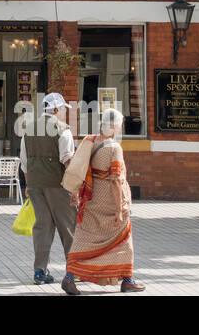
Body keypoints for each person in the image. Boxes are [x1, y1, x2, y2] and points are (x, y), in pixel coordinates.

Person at [62, 108, 145, 295]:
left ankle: (69, 276)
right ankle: (128, 279)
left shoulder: (90, 141)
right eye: (120, 124)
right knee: (123, 238)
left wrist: (75, 193)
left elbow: (80, 167)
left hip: (91, 199)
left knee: (84, 238)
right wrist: (119, 208)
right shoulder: (114, 148)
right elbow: (115, 179)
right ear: (115, 126)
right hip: (109, 200)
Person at [19, 91, 76, 285]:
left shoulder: (28, 129)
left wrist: (28, 185)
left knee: (42, 227)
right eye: (63, 110)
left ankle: (39, 272)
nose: (64, 114)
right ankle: (74, 271)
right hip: (58, 185)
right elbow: (67, 160)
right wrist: (76, 187)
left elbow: (24, 162)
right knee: (68, 227)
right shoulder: (63, 129)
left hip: (35, 185)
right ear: (57, 109)